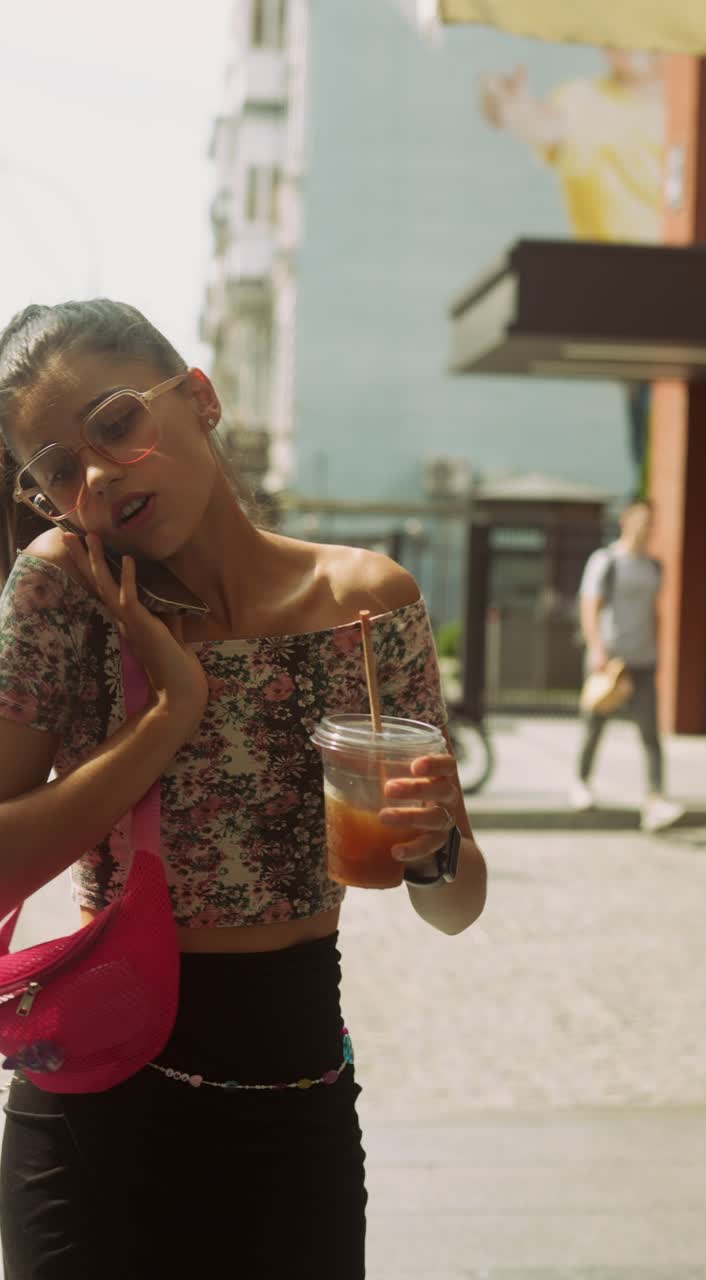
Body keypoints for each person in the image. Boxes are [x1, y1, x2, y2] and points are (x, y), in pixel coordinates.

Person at [0, 299, 487, 1279]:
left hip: (292, 1089)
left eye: (117, 423)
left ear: (199, 399)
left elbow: (454, 906)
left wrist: (433, 844)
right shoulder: (67, 589)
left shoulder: (366, 605)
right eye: (59, 468)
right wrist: (169, 713)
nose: (95, 474)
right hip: (96, 1097)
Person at [571, 497, 684, 833]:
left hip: (644, 659)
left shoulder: (654, 566)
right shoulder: (606, 561)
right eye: (642, 520)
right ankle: (581, 783)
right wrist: (597, 649)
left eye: (652, 521)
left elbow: (656, 612)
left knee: (651, 733)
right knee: (595, 723)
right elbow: (590, 605)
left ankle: (655, 800)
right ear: (626, 521)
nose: (648, 527)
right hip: (611, 659)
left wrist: (660, 651)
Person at [479, 49, 664, 244]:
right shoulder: (581, 99)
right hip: (615, 266)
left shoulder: (689, 102)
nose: (619, 44)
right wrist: (517, 114)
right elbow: (545, 126)